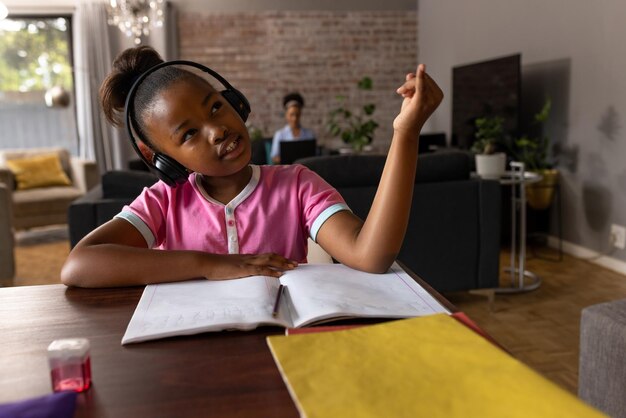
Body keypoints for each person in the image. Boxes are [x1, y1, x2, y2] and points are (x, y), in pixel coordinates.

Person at [60, 46, 443, 288]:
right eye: (189, 133)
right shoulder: (163, 202)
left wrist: (405, 133)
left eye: (215, 106)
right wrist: (212, 265)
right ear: (160, 158)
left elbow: (370, 255)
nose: (217, 129)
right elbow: (79, 265)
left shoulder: (297, 185)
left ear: (235, 101)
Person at [269, 92, 315, 164]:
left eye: (297, 115)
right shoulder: (280, 134)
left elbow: (314, 156)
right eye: (291, 115)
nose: (294, 118)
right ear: (286, 115)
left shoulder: (309, 134)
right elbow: (274, 157)